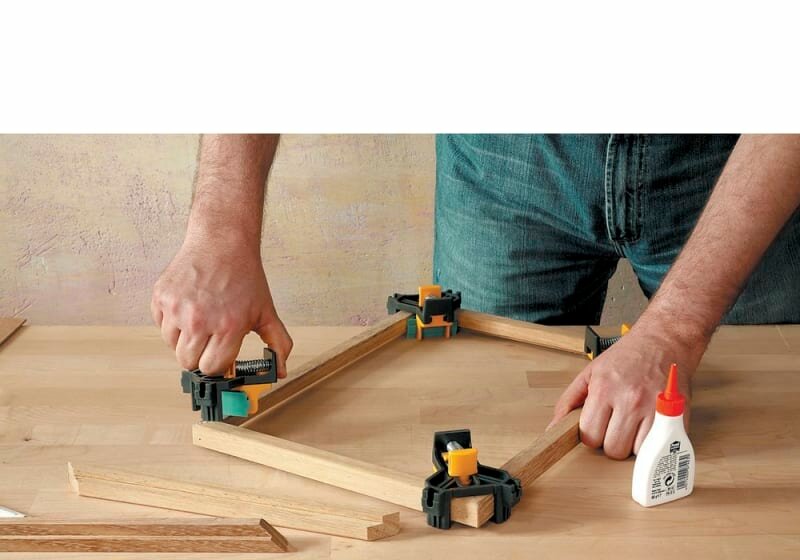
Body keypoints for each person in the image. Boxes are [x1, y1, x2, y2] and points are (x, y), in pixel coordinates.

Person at [151, 134, 800, 459]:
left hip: (738, 158)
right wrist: (219, 231)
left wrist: (675, 330)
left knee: (761, 455)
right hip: (505, 155)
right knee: (483, 449)